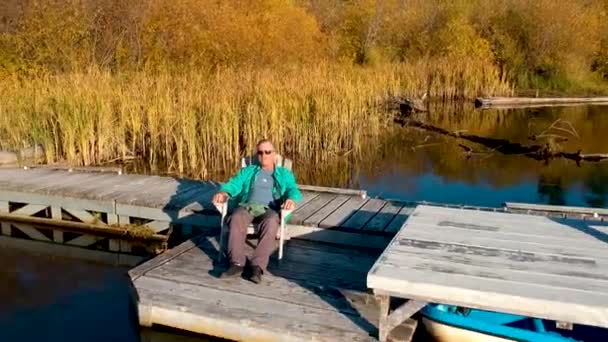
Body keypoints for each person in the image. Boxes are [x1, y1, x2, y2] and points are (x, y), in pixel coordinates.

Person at [212, 139, 301, 283]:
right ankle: (237, 264)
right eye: (260, 152)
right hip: (248, 206)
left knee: (272, 222)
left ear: (274, 155)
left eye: (268, 152)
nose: (264, 155)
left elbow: (293, 189)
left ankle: (257, 266)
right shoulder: (248, 171)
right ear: (257, 155)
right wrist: (224, 193)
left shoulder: (283, 174)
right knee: (236, 218)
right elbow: (234, 184)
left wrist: (291, 199)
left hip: (270, 208)